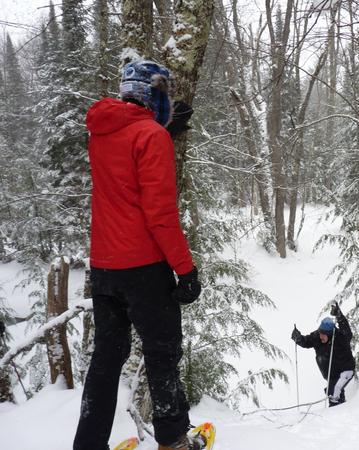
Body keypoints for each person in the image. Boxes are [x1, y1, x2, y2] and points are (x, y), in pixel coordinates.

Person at [73, 60, 202, 450]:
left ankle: (88, 445)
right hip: (145, 267)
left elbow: (126, 159)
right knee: (163, 354)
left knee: (107, 357)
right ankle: (173, 442)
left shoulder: (100, 132)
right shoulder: (150, 136)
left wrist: (162, 130)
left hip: (105, 268)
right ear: (154, 95)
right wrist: (186, 269)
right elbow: (160, 215)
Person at [291, 302, 356, 406]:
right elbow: (307, 341)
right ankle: (343, 411)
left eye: (324, 335)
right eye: (320, 333)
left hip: (346, 370)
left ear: (330, 334)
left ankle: (334, 412)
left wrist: (339, 316)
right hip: (332, 374)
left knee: (333, 393)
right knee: (336, 394)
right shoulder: (317, 336)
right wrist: (298, 339)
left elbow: (347, 332)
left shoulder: (340, 338)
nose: (321, 336)